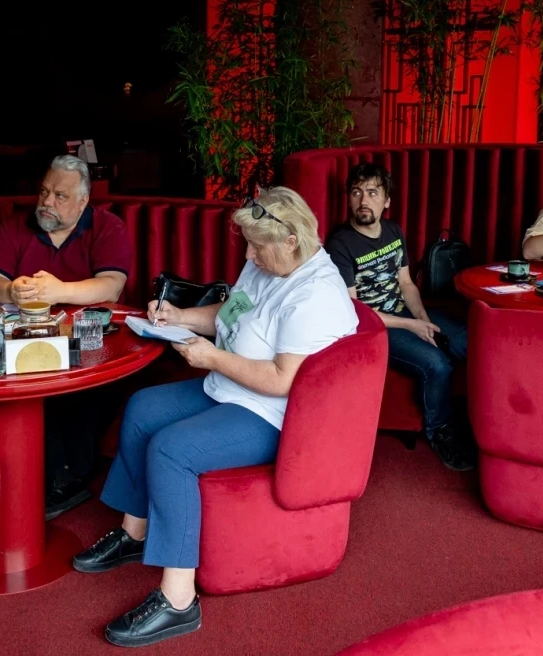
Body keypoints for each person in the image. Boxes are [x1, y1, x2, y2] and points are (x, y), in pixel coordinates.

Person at [72, 187, 357, 648]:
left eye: (256, 246)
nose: (248, 255)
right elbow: (231, 314)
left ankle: (178, 600)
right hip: (231, 388)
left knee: (172, 450)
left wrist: (211, 358)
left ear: (290, 241)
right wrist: (179, 316)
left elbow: (282, 380)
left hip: (273, 414)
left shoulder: (316, 294)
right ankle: (134, 533)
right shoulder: (268, 264)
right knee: (143, 408)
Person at [0, 154, 133, 518]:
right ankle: (35, 483)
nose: (47, 201)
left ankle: (61, 479)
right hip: (24, 343)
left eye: (60, 196)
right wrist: (9, 290)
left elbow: (112, 285)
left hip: (92, 346)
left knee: (80, 404)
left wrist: (60, 290)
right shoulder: (16, 225)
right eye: (44, 191)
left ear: (83, 201)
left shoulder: (108, 227)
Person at [325, 163, 475, 470]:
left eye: (372, 192)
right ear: (349, 198)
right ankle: (440, 431)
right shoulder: (340, 244)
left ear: (387, 200)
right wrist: (411, 325)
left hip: (404, 311)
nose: (363, 200)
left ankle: (481, 418)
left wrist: (424, 320)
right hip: (372, 325)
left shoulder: (393, 231)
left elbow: (406, 284)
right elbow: (354, 310)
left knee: (468, 341)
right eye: (356, 192)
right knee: (437, 364)